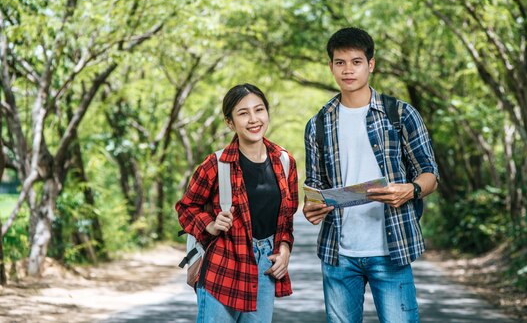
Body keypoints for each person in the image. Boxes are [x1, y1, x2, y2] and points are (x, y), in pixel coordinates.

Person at [303, 27, 439, 323]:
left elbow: (430, 173)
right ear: (331, 67)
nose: (348, 70)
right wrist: (311, 207)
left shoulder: (400, 114)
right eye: (340, 62)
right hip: (339, 253)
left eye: (356, 61)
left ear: (371, 64)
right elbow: (314, 187)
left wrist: (411, 190)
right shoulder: (318, 124)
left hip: (391, 250)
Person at [176, 83, 298, 323]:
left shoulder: (285, 162)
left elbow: (286, 220)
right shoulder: (216, 164)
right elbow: (186, 207)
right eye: (243, 113)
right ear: (230, 122)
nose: (254, 119)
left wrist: (284, 251)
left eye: (259, 110)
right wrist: (210, 225)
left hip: (265, 269)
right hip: (224, 266)